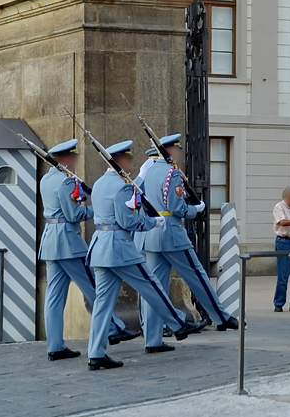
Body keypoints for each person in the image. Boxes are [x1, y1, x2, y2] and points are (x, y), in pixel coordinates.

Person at [86, 141, 204, 370]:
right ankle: (179, 324)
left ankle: (96, 353)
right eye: (128, 158)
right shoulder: (122, 186)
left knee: (102, 304)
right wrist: (152, 222)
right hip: (119, 248)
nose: (130, 162)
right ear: (119, 160)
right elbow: (128, 221)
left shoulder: (101, 183)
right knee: (152, 286)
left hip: (100, 248)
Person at [38, 139, 135, 361]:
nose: (76, 160)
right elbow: (74, 215)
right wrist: (96, 210)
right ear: (66, 158)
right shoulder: (64, 181)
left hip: (51, 241)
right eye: (73, 156)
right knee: (94, 288)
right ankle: (114, 328)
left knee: (54, 296)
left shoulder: (48, 179)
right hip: (68, 242)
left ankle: (54, 345)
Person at [139, 134, 238, 350]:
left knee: (156, 288)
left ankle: (152, 340)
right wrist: (196, 209)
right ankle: (221, 317)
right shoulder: (171, 172)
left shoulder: (147, 173)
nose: (180, 154)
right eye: (178, 150)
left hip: (152, 235)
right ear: (170, 150)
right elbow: (177, 208)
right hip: (171, 233)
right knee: (197, 276)